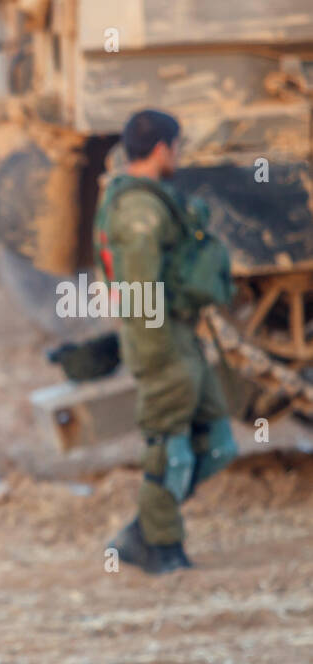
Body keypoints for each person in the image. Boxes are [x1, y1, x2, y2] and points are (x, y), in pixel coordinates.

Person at [97, 109, 238, 573]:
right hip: (159, 341)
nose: (179, 155)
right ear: (161, 148)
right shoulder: (139, 209)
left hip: (179, 336)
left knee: (215, 443)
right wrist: (157, 357)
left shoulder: (152, 200)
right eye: (176, 146)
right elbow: (139, 293)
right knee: (168, 446)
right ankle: (159, 546)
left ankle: (143, 530)